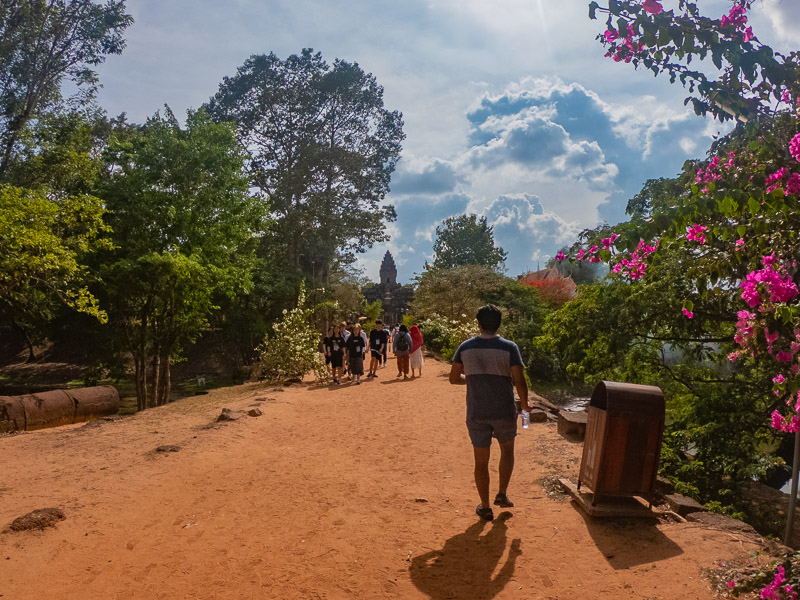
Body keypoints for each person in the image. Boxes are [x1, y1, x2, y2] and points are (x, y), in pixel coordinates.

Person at [449, 304, 528, 522]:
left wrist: (473, 379)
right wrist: (526, 404)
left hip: (477, 411)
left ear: (479, 324)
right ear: (499, 324)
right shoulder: (510, 348)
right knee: (507, 451)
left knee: (481, 461)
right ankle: (502, 494)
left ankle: (484, 506)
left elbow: (454, 378)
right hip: (503, 410)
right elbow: (519, 380)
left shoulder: (464, 348)